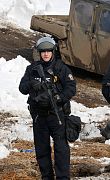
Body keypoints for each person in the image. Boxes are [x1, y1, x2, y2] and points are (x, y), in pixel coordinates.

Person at [19, 36, 76, 179]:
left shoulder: (60, 68)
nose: (46, 54)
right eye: (43, 51)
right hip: (39, 116)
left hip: (56, 115)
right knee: (42, 149)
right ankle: (47, 177)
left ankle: (63, 178)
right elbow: (22, 88)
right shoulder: (32, 69)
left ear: (53, 52)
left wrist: (59, 98)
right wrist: (32, 83)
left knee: (61, 149)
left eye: (48, 51)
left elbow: (71, 88)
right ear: (39, 52)